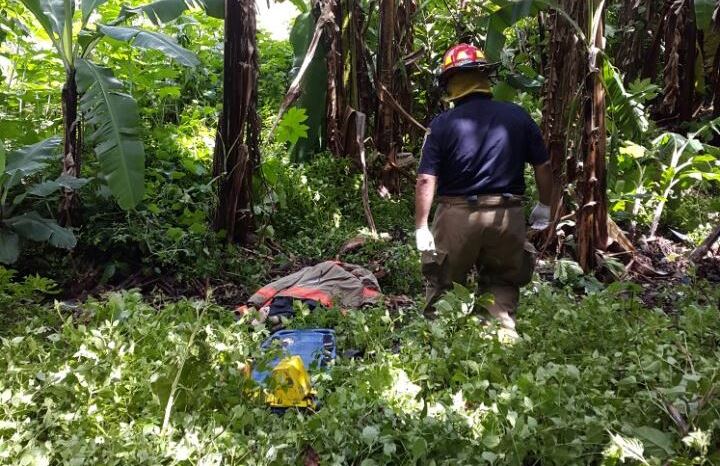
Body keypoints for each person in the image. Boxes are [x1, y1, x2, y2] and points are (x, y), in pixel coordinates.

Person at [415, 43, 553, 338]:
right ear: (484, 76)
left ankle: (440, 346)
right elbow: (544, 166)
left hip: (457, 216)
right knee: (502, 283)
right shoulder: (517, 116)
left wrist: (421, 225)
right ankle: (500, 339)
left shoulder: (442, 125)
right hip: (507, 215)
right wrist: (545, 205)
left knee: (443, 284)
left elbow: (426, 179)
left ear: (450, 82)